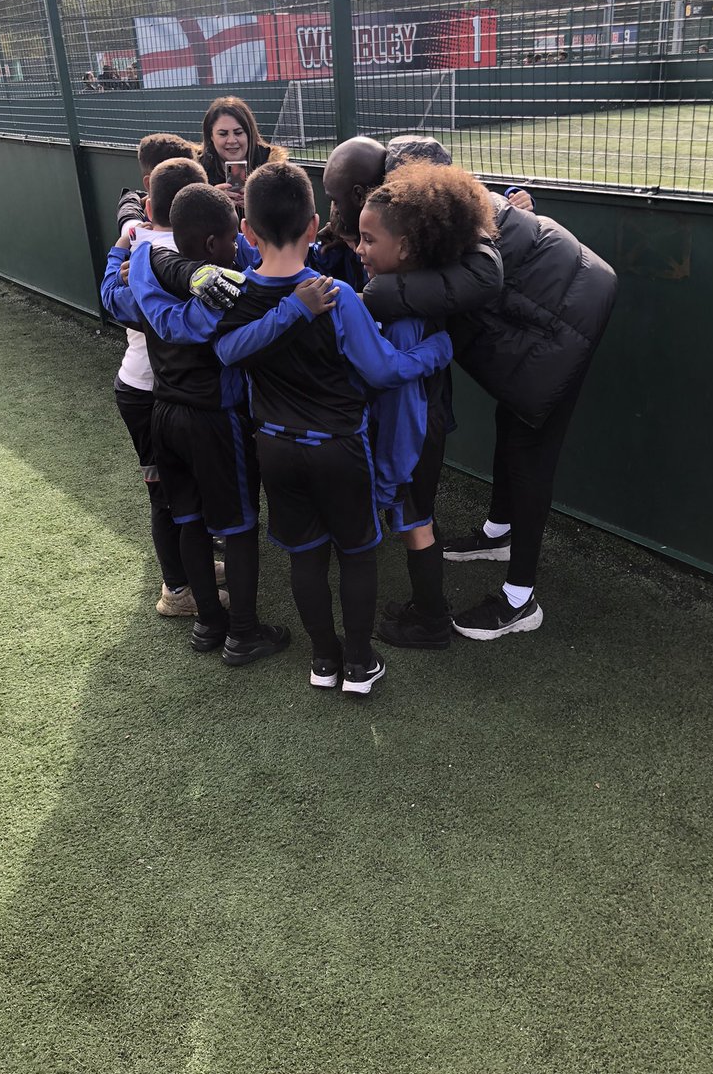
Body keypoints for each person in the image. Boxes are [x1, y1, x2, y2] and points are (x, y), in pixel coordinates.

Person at [355, 142, 616, 642]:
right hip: (554, 308)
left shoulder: (460, 220)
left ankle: (521, 599)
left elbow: (484, 276)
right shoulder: (448, 209)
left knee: (530, 453)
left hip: (569, 319)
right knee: (511, 424)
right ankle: (498, 533)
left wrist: (377, 295)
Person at [207, 163, 454, 693]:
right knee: (358, 553)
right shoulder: (336, 295)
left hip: (273, 447)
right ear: (314, 223)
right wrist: (433, 351)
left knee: (306, 556)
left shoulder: (238, 294)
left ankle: (323, 661)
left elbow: (225, 351)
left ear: (247, 231)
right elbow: (384, 371)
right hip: (339, 449)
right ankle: (360, 664)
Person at [102, 180, 335, 668]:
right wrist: (298, 303)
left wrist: (133, 253)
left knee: (188, 519)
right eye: (232, 239)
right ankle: (244, 634)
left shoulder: (147, 280)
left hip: (162, 413)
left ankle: (209, 623)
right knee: (240, 527)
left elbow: (114, 295)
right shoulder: (228, 293)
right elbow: (254, 303)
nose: (239, 248)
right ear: (212, 246)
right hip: (216, 420)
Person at [354, 160, 499, 651]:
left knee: (415, 526)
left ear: (408, 248)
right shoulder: (420, 293)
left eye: (370, 240)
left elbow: (402, 406)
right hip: (423, 430)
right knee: (420, 520)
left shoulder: (402, 313)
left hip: (412, 438)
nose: (359, 249)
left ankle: (432, 622)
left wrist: (390, 471)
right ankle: (424, 605)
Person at [110, 135, 206, 618]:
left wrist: (118, 250)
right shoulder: (205, 255)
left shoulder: (139, 252)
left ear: (150, 204)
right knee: (171, 496)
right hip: (156, 393)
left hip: (146, 389)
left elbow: (117, 303)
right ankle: (177, 591)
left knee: (174, 493)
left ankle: (191, 568)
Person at [197, 96, 287, 210]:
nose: (232, 140)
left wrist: (261, 203)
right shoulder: (198, 172)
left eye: (238, 133)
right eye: (223, 134)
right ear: (211, 136)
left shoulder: (273, 168)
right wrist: (211, 200)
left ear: (249, 134)